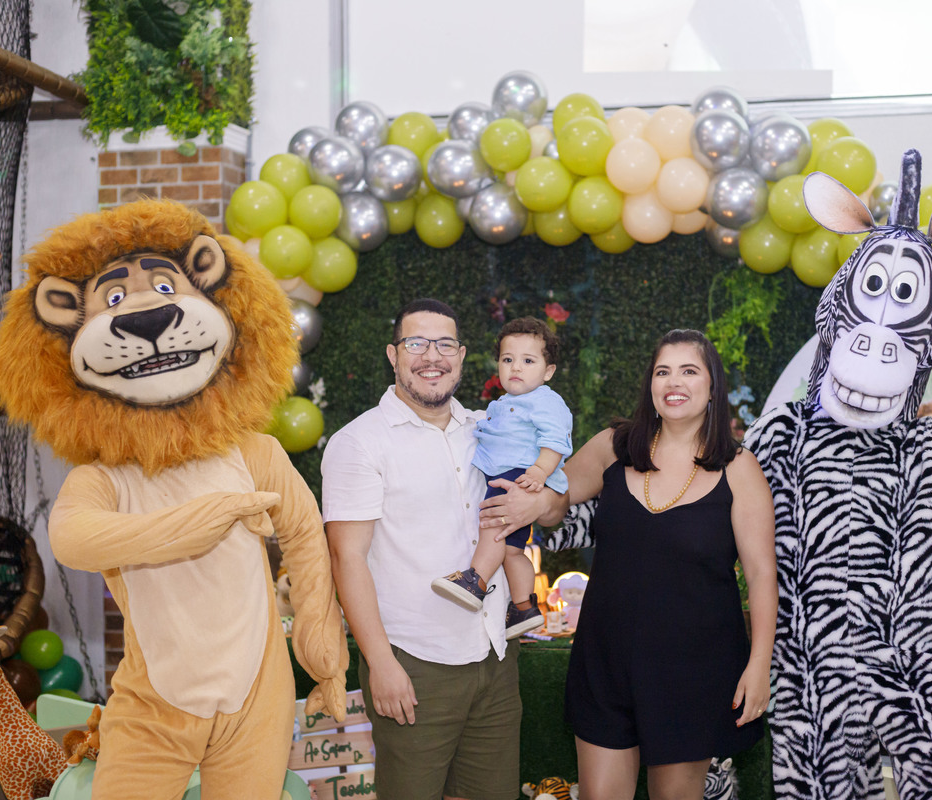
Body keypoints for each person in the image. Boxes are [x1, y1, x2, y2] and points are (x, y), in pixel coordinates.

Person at [483, 329, 778, 800]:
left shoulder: (739, 468)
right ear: (650, 384)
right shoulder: (613, 446)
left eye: (689, 371)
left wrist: (759, 664)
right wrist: (530, 500)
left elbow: (762, 575)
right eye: (663, 371)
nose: (673, 382)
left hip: (694, 668)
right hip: (606, 659)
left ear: (712, 387)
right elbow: (556, 503)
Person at [321, 298, 522, 800]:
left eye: (445, 344)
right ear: (393, 355)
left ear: (462, 356)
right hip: (414, 663)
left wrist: (538, 499)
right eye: (416, 343)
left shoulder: (488, 429)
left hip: (494, 654)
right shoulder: (360, 442)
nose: (432, 356)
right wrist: (381, 664)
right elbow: (347, 559)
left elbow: (548, 495)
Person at [432, 316, 573, 640]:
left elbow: (556, 439)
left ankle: (476, 581)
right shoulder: (504, 404)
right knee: (512, 550)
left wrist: (539, 471)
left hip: (519, 474)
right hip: (516, 474)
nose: (516, 367)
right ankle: (523, 607)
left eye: (528, 361)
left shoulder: (545, 401)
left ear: (548, 371)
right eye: (508, 360)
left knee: (493, 525)